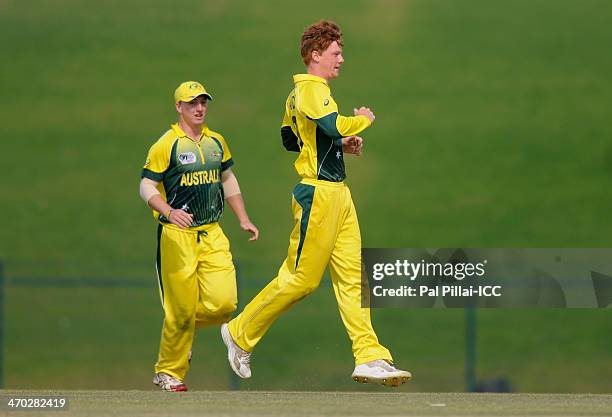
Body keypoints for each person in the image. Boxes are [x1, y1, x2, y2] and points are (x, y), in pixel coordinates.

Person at [221, 21, 411, 387]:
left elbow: (293, 141)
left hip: (338, 193)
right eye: (336, 52)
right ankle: (240, 332)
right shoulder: (310, 89)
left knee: (353, 277)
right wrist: (362, 122)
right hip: (319, 196)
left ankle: (370, 356)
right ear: (315, 55)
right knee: (300, 280)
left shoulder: (301, 95)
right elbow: (333, 124)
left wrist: (339, 147)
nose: (341, 58)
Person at [140, 81, 259, 392]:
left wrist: (244, 218)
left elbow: (227, 178)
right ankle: (168, 372)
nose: (199, 108)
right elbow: (146, 187)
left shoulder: (216, 142)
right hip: (177, 236)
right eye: (191, 103)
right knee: (178, 311)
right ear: (179, 107)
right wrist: (168, 211)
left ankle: (182, 332)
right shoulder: (166, 145)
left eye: (203, 102)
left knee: (224, 303)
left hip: (212, 232)